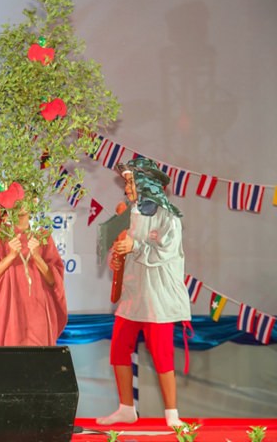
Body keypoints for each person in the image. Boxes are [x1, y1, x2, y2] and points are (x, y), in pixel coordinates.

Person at [96, 157, 191, 428]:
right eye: (126, 183)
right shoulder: (128, 214)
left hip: (158, 298)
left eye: (131, 183)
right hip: (132, 295)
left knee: (162, 355)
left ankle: (172, 415)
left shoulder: (169, 218)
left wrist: (134, 247)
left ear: (146, 184)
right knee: (118, 350)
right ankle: (126, 408)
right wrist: (117, 260)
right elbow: (123, 248)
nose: (127, 188)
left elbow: (164, 253)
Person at [0, 205, 68, 346]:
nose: (22, 203)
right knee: (10, 355)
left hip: (37, 310)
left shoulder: (42, 236)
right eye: (17, 198)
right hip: (8, 309)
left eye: (27, 198)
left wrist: (37, 257)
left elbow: (53, 281)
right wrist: (11, 256)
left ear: (34, 202)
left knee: (38, 356)